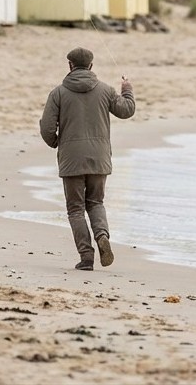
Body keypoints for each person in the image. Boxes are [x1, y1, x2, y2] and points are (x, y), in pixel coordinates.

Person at [39, 47, 135, 271]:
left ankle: (86, 257)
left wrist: (56, 143)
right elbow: (127, 110)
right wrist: (127, 89)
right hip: (99, 159)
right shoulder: (106, 91)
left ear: (70, 65)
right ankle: (102, 235)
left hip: (71, 160)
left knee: (75, 209)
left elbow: (46, 128)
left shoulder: (58, 93)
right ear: (91, 66)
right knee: (96, 203)